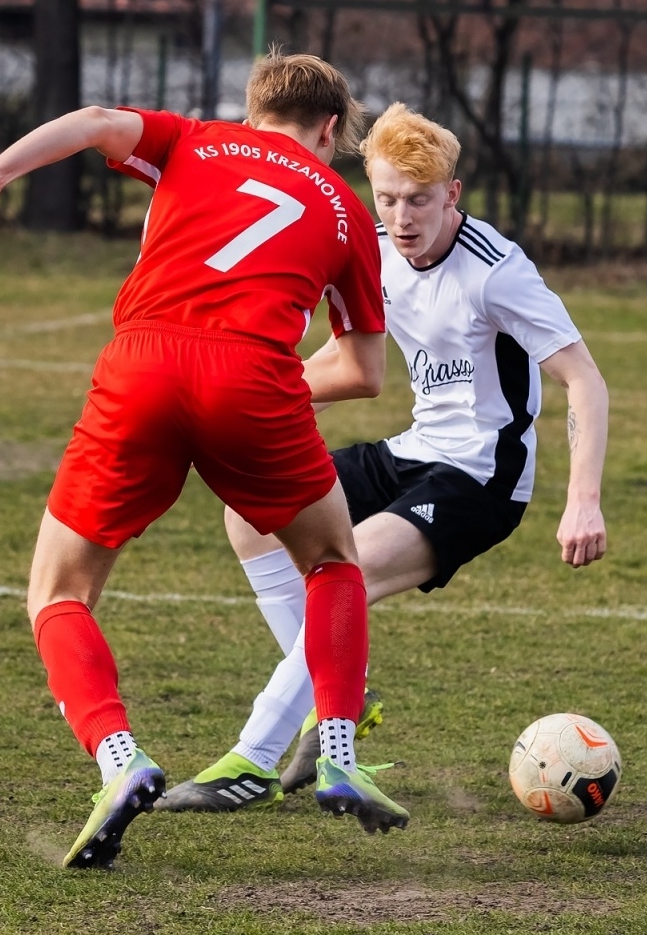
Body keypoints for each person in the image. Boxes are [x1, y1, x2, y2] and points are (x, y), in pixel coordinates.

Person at [0, 53, 411, 870]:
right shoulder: (343, 205)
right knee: (335, 560)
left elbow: (92, 124)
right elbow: (365, 372)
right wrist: (256, 381)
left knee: (59, 590)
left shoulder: (194, 141)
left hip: (143, 369)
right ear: (331, 129)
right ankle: (336, 746)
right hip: (257, 380)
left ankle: (120, 763)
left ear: (252, 108)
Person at [158, 102, 610, 812]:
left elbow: (584, 377)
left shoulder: (497, 271)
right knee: (250, 510)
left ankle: (251, 758)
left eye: (420, 200)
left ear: (450, 195)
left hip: (480, 480)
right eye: (389, 197)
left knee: (349, 568)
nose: (403, 217)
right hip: (412, 452)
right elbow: (345, 357)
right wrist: (250, 411)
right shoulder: (368, 247)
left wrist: (583, 498)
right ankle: (343, 689)